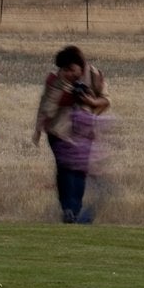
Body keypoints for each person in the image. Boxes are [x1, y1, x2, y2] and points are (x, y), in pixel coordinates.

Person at [34, 45, 108, 224]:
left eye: (70, 69)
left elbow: (105, 100)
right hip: (59, 131)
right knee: (64, 170)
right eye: (63, 69)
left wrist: (90, 100)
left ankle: (73, 210)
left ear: (80, 65)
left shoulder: (95, 75)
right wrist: (38, 128)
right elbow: (46, 105)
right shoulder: (56, 79)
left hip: (84, 131)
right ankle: (68, 209)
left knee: (79, 171)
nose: (67, 73)